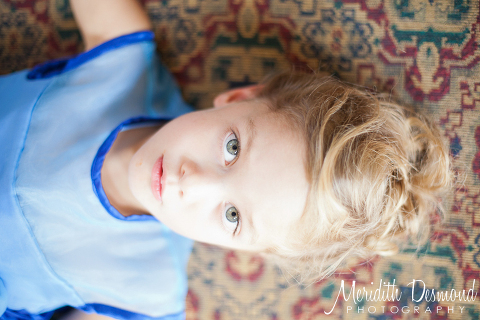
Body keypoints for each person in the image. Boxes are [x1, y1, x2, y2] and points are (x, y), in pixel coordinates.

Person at [0, 0, 452, 319]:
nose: (190, 184)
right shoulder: (120, 63)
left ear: (238, 250)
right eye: (232, 148)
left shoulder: (144, 292)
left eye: (232, 216)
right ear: (238, 98)